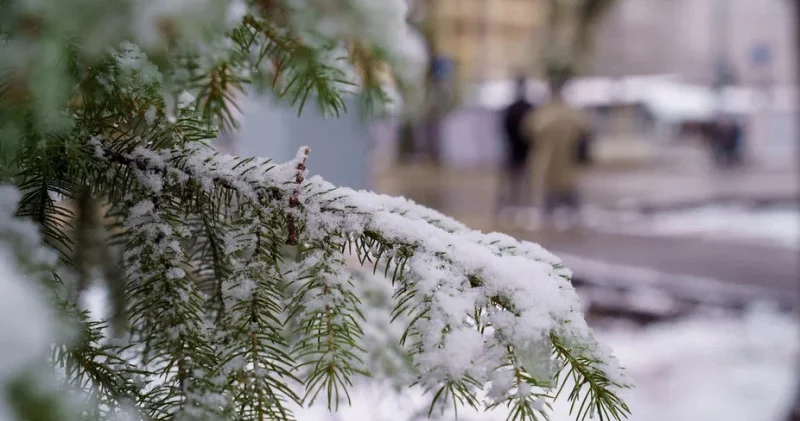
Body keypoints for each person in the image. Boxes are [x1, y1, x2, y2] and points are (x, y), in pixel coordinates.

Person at [523, 75, 587, 229]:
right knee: (560, 184)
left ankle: (564, 213)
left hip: (555, 156)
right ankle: (564, 213)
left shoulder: (545, 112)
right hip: (557, 156)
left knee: (559, 184)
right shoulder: (565, 112)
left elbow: (529, 129)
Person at [495, 76, 535, 218]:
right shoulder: (525, 108)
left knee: (519, 180)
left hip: (518, 149)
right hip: (519, 149)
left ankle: (516, 205)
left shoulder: (517, 108)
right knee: (517, 180)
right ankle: (515, 205)